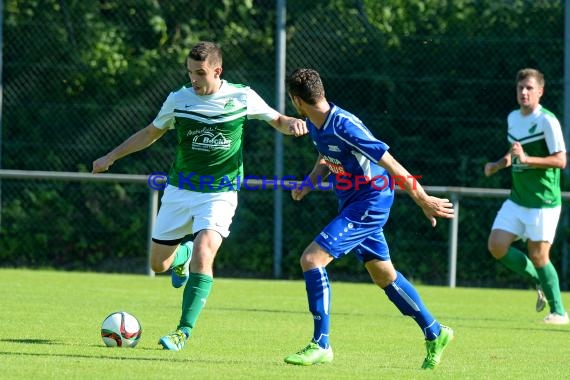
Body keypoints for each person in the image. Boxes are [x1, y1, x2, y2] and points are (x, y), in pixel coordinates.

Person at [92, 41, 307, 351]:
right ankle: (183, 254)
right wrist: (111, 156)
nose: (194, 78)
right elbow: (151, 132)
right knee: (158, 265)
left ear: (217, 71)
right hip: (180, 189)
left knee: (206, 250)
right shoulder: (179, 100)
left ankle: (183, 331)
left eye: (200, 72)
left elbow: (277, 119)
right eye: (190, 72)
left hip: (220, 193)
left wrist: (294, 123)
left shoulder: (241, 96)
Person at [284, 68, 455, 369]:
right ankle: (435, 331)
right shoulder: (316, 123)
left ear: (296, 100)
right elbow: (327, 157)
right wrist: (310, 182)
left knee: (312, 259)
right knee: (384, 275)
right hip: (352, 202)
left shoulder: (344, 125)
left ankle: (321, 343)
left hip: (369, 202)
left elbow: (389, 162)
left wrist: (423, 199)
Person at [484, 68, 568, 325]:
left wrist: (528, 159)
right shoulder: (513, 118)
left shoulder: (547, 121)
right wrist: (498, 164)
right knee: (496, 246)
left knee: (539, 256)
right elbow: (515, 150)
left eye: (529, 88)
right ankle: (537, 281)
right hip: (518, 198)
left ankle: (559, 312)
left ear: (540, 91)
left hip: (543, 201)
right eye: (520, 88)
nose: (524, 92)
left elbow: (561, 160)